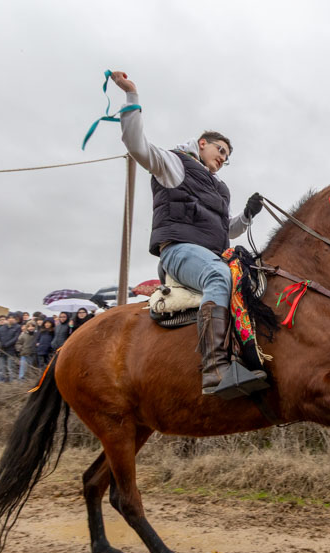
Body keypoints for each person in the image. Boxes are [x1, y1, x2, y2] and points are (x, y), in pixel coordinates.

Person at [111, 70, 265, 396]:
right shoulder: (175, 163)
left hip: (212, 252)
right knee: (219, 278)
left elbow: (228, 230)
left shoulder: (220, 188)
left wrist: (247, 215)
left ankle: (249, 356)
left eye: (227, 156)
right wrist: (131, 96)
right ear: (202, 143)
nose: (223, 158)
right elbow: (137, 146)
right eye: (219, 150)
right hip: (178, 251)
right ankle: (215, 371)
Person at [0, 313, 21, 382]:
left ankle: (11, 383)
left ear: (15, 319)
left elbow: (16, 338)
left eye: (13, 318)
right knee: (1, 368)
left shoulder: (17, 327)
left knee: (10, 368)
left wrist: (6, 344)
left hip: (11, 351)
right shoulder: (2, 327)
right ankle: (1, 382)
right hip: (1, 350)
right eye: (9, 318)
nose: (11, 319)